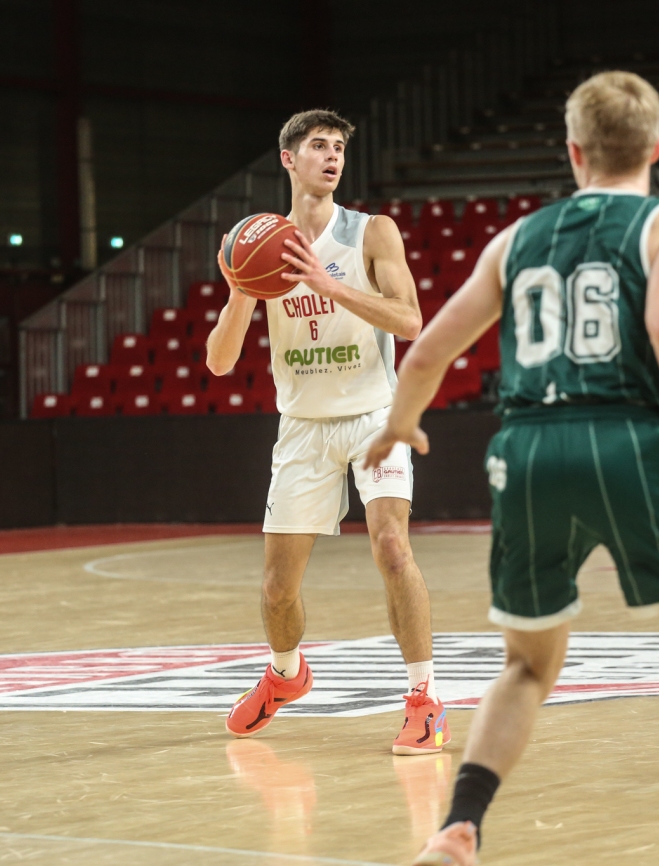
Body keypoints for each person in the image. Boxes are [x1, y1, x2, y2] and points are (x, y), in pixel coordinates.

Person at [363, 72, 659, 865]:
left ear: (573, 151)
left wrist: (399, 428)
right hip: (628, 440)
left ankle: (459, 827)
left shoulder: (515, 238)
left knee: (526, 663)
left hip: (526, 450)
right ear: (656, 147)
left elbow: (430, 351)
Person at [205, 110, 448, 755]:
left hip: (374, 415)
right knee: (277, 587)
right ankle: (286, 676)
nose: (332, 156)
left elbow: (409, 321)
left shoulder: (370, 232)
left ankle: (424, 701)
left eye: (339, 147)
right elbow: (219, 362)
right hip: (303, 426)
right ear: (288, 159)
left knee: (392, 548)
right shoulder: (259, 244)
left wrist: (325, 284)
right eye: (318, 146)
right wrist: (238, 293)